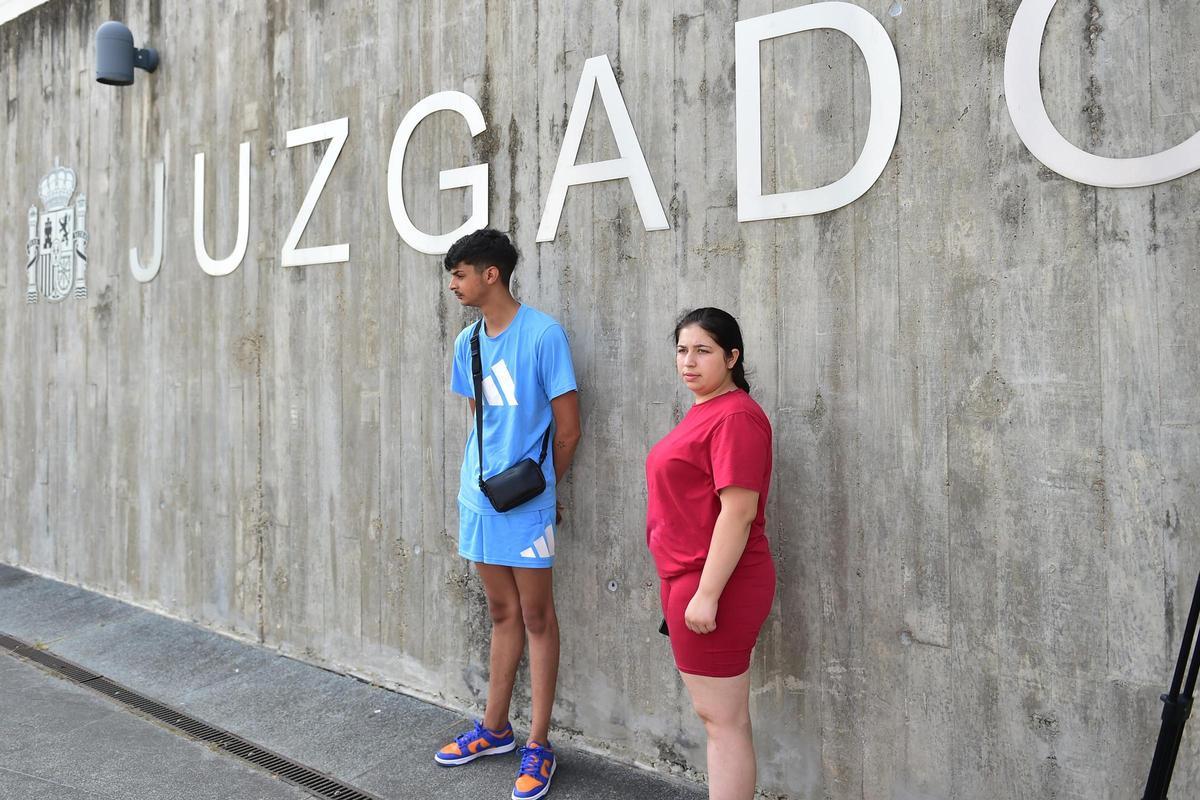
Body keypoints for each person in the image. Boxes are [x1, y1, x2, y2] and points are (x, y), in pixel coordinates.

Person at [434, 228, 581, 800]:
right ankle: (494, 729)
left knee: (538, 616)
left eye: (461, 274)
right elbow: (480, 420)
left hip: (528, 505)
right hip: (479, 499)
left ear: (490, 274)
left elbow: (568, 430)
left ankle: (539, 744)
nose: (454, 285)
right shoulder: (466, 344)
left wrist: (544, 494)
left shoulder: (544, 336)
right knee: (501, 612)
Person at [644, 307, 776, 800]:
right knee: (719, 717)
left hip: (715, 583)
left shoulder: (736, 416)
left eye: (703, 350)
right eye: (682, 350)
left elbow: (738, 513)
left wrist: (706, 594)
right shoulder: (707, 410)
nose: (689, 361)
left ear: (732, 356)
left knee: (723, 721)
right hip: (690, 579)